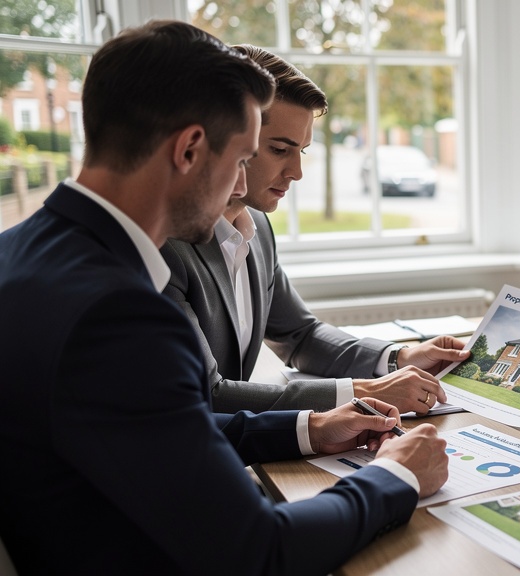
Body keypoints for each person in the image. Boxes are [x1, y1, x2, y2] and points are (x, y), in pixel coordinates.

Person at [0, 21, 447, 575]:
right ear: (190, 149)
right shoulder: (121, 315)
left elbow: (154, 426)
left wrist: (311, 428)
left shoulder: (19, 251)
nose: (241, 188)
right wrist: (396, 476)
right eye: (241, 160)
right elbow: (259, 551)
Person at [160, 45, 468, 416]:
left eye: (302, 151)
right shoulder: (166, 245)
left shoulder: (256, 225)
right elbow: (206, 395)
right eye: (279, 149)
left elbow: (300, 335)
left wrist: (399, 357)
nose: (297, 172)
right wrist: (366, 391)